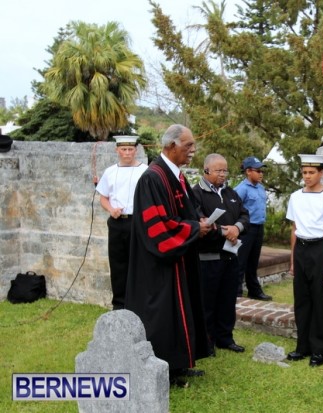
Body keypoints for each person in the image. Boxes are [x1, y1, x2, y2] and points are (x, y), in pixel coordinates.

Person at [125, 124, 213, 387]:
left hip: (178, 257)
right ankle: (163, 369)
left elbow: (186, 211)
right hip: (158, 264)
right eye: (188, 146)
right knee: (163, 317)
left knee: (180, 312)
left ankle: (179, 363)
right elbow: (158, 227)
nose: (193, 150)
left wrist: (200, 221)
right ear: (172, 145)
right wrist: (196, 228)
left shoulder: (177, 176)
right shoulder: (153, 178)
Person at [285, 154, 323, 367]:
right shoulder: (295, 196)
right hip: (301, 249)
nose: (307, 176)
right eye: (304, 172)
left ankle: (320, 348)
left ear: (321, 173)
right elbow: (294, 229)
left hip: (319, 249)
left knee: (319, 298)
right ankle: (303, 346)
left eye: (311, 173)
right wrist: (292, 259)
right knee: (301, 299)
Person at [193, 153, 249, 355]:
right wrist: (225, 232)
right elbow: (199, 221)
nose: (223, 174)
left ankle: (225, 338)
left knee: (227, 301)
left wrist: (237, 227)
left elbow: (244, 215)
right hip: (208, 260)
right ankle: (207, 342)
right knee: (207, 303)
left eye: (225, 170)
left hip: (230, 257)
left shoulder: (231, 193)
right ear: (206, 170)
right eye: (219, 170)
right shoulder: (196, 194)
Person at [95, 136, 148, 310]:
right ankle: (119, 305)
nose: (127, 153)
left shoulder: (145, 171)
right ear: (117, 150)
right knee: (118, 263)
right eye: (123, 149)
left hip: (137, 222)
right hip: (118, 222)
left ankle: (139, 302)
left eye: (130, 149)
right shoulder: (110, 171)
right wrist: (111, 209)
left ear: (136, 150)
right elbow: (103, 197)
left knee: (139, 263)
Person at [234, 156, 272, 301]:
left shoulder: (261, 188)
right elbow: (235, 210)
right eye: (258, 170)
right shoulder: (241, 189)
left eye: (262, 171)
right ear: (248, 171)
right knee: (241, 261)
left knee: (253, 262)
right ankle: (236, 292)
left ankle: (254, 291)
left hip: (258, 228)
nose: (261, 173)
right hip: (246, 230)